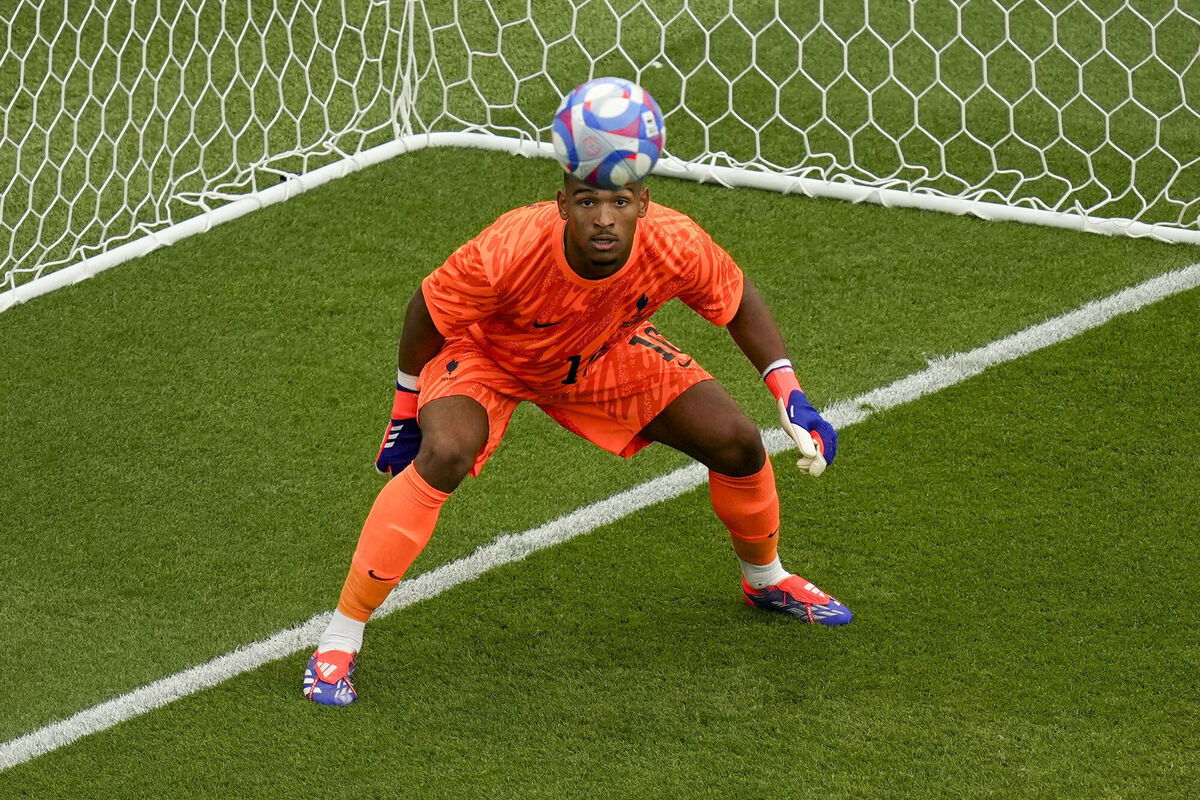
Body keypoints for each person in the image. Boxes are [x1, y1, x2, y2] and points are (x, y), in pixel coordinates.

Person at [302, 170, 851, 707]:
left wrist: (791, 393)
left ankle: (765, 579)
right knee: (444, 452)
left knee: (737, 443)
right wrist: (404, 412)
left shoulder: (674, 241)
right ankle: (341, 637)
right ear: (562, 205)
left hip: (599, 350)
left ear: (644, 203)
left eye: (620, 202)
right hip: (488, 356)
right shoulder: (511, 246)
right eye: (588, 203)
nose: (604, 219)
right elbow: (427, 308)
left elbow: (736, 299)